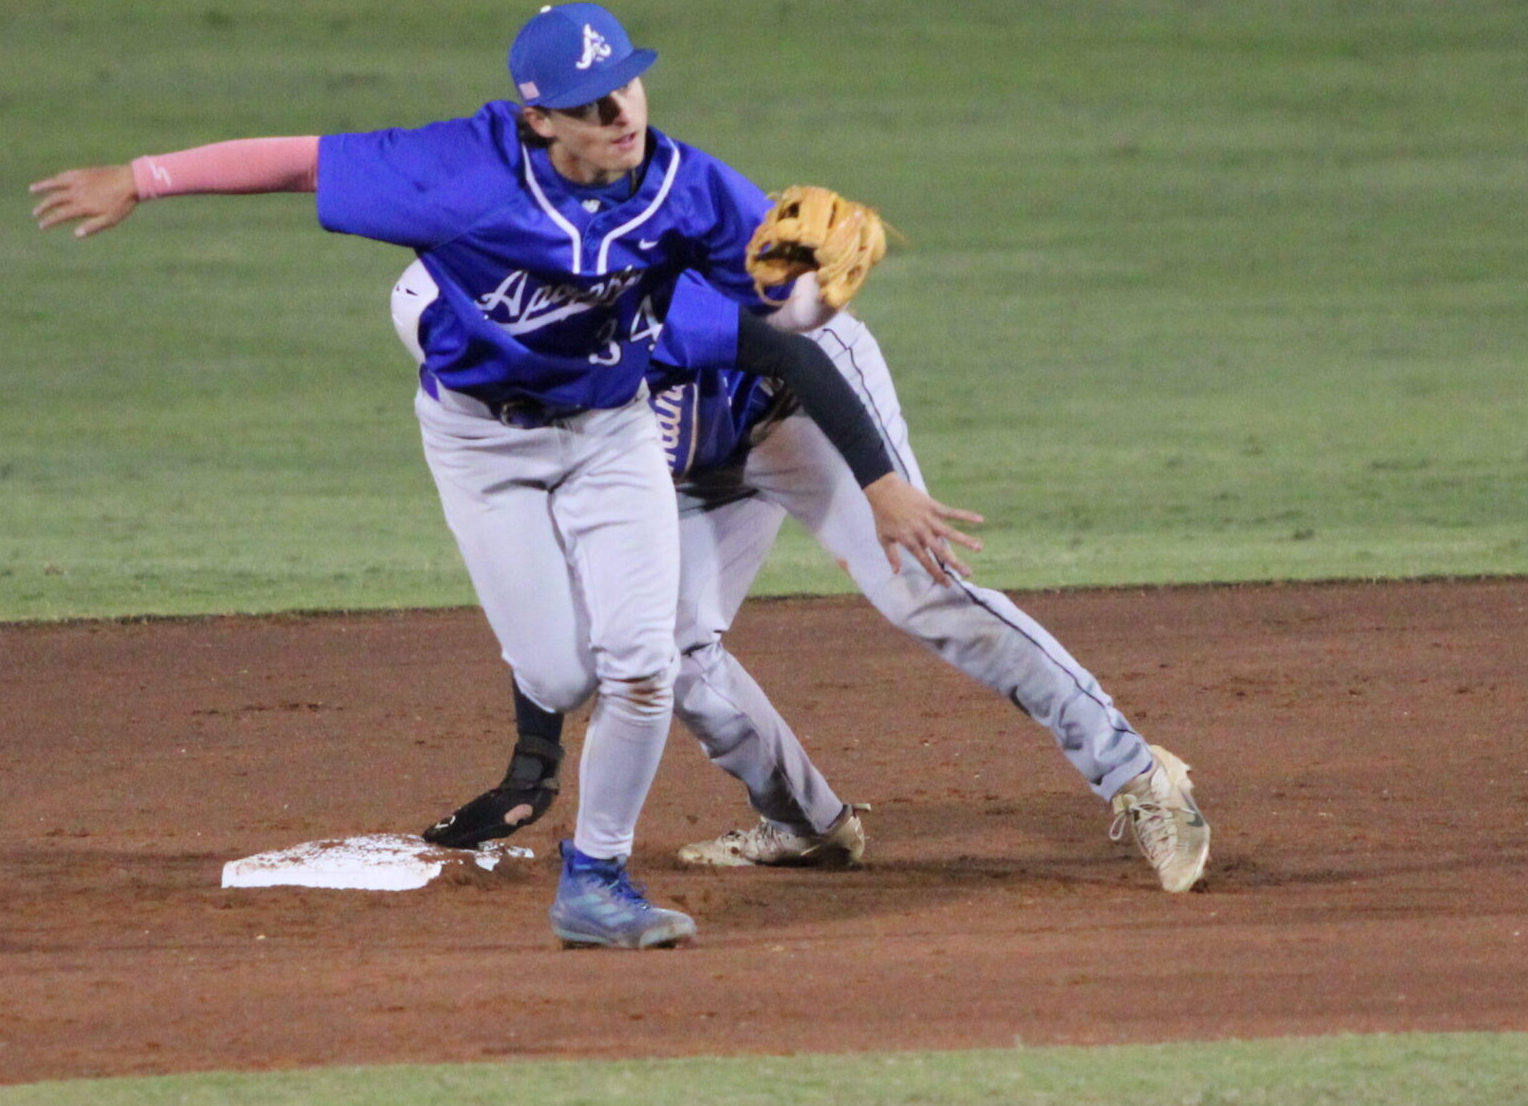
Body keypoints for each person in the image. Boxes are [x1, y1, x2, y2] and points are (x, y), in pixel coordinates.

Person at [30, 3, 978, 947]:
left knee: (643, 666)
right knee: (564, 675)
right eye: (591, 104)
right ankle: (566, 778)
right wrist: (145, 180)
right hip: (486, 448)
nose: (621, 115)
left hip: (614, 436)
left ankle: (595, 881)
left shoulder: (689, 186)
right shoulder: (458, 170)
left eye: (627, 87)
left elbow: (773, 304)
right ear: (539, 119)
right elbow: (302, 161)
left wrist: (813, 295)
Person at [418, 272, 1212, 894]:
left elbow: (792, 353)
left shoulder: (635, 307)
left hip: (798, 402)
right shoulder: (513, 392)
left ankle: (1138, 773)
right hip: (687, 453)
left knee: (920, 588)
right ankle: (804, 821)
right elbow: (553, 576)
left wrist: (881, 486)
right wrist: (534, 760)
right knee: (662, 644)